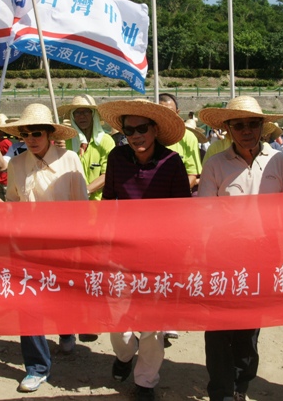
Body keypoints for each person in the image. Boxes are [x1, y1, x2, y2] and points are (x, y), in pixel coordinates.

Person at [197, 97, 283, 401]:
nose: (246, 130)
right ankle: (220, 392)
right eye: (238, 125)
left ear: (262, 126)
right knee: (217, 328)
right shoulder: (214, 164)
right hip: (221, 258)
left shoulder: (278, 161)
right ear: (228, 129)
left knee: (248, 330)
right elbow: (204, 214)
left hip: (262, 260)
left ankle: (241, 383)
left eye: (252, 123)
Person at [96, 99, 191, 401]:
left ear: (155, 129)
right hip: (121, 253)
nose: (135, 135)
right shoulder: (117, 157)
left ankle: (146, 381)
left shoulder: (172, 162)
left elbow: (183, 213)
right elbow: (109, 202)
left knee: (153, 325)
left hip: (159, 258)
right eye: (128, 130)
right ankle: (125, 355)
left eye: (141, 129)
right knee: (118, 321)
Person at [0, 104, 88, 393]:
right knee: (29, 305)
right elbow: (12, 200)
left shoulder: (70, 159)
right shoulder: (16, 164)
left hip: (63, 246)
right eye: (25, 134)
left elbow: (82, 206)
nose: (31, 138)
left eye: (37, 132)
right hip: (28, 248)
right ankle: (36, 368)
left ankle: (66, 331)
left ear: (50, 134)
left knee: (63, 297)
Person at [57, 94, 116, 201]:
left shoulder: (106, 141)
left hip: (99, 204)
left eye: (86, 112)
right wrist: (59, 153)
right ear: (72, 117)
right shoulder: (64, 142)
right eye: (77, 112)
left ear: (93, 115)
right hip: (71, 202)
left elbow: (108, 174)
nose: (82, 116)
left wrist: (85, 191)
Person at [158, 93, 202, 190]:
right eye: (162, 112)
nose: (166, 116)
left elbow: (192, 174)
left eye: (170, 112)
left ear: (177, 113)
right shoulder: (147, 135)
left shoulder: (188, 137)